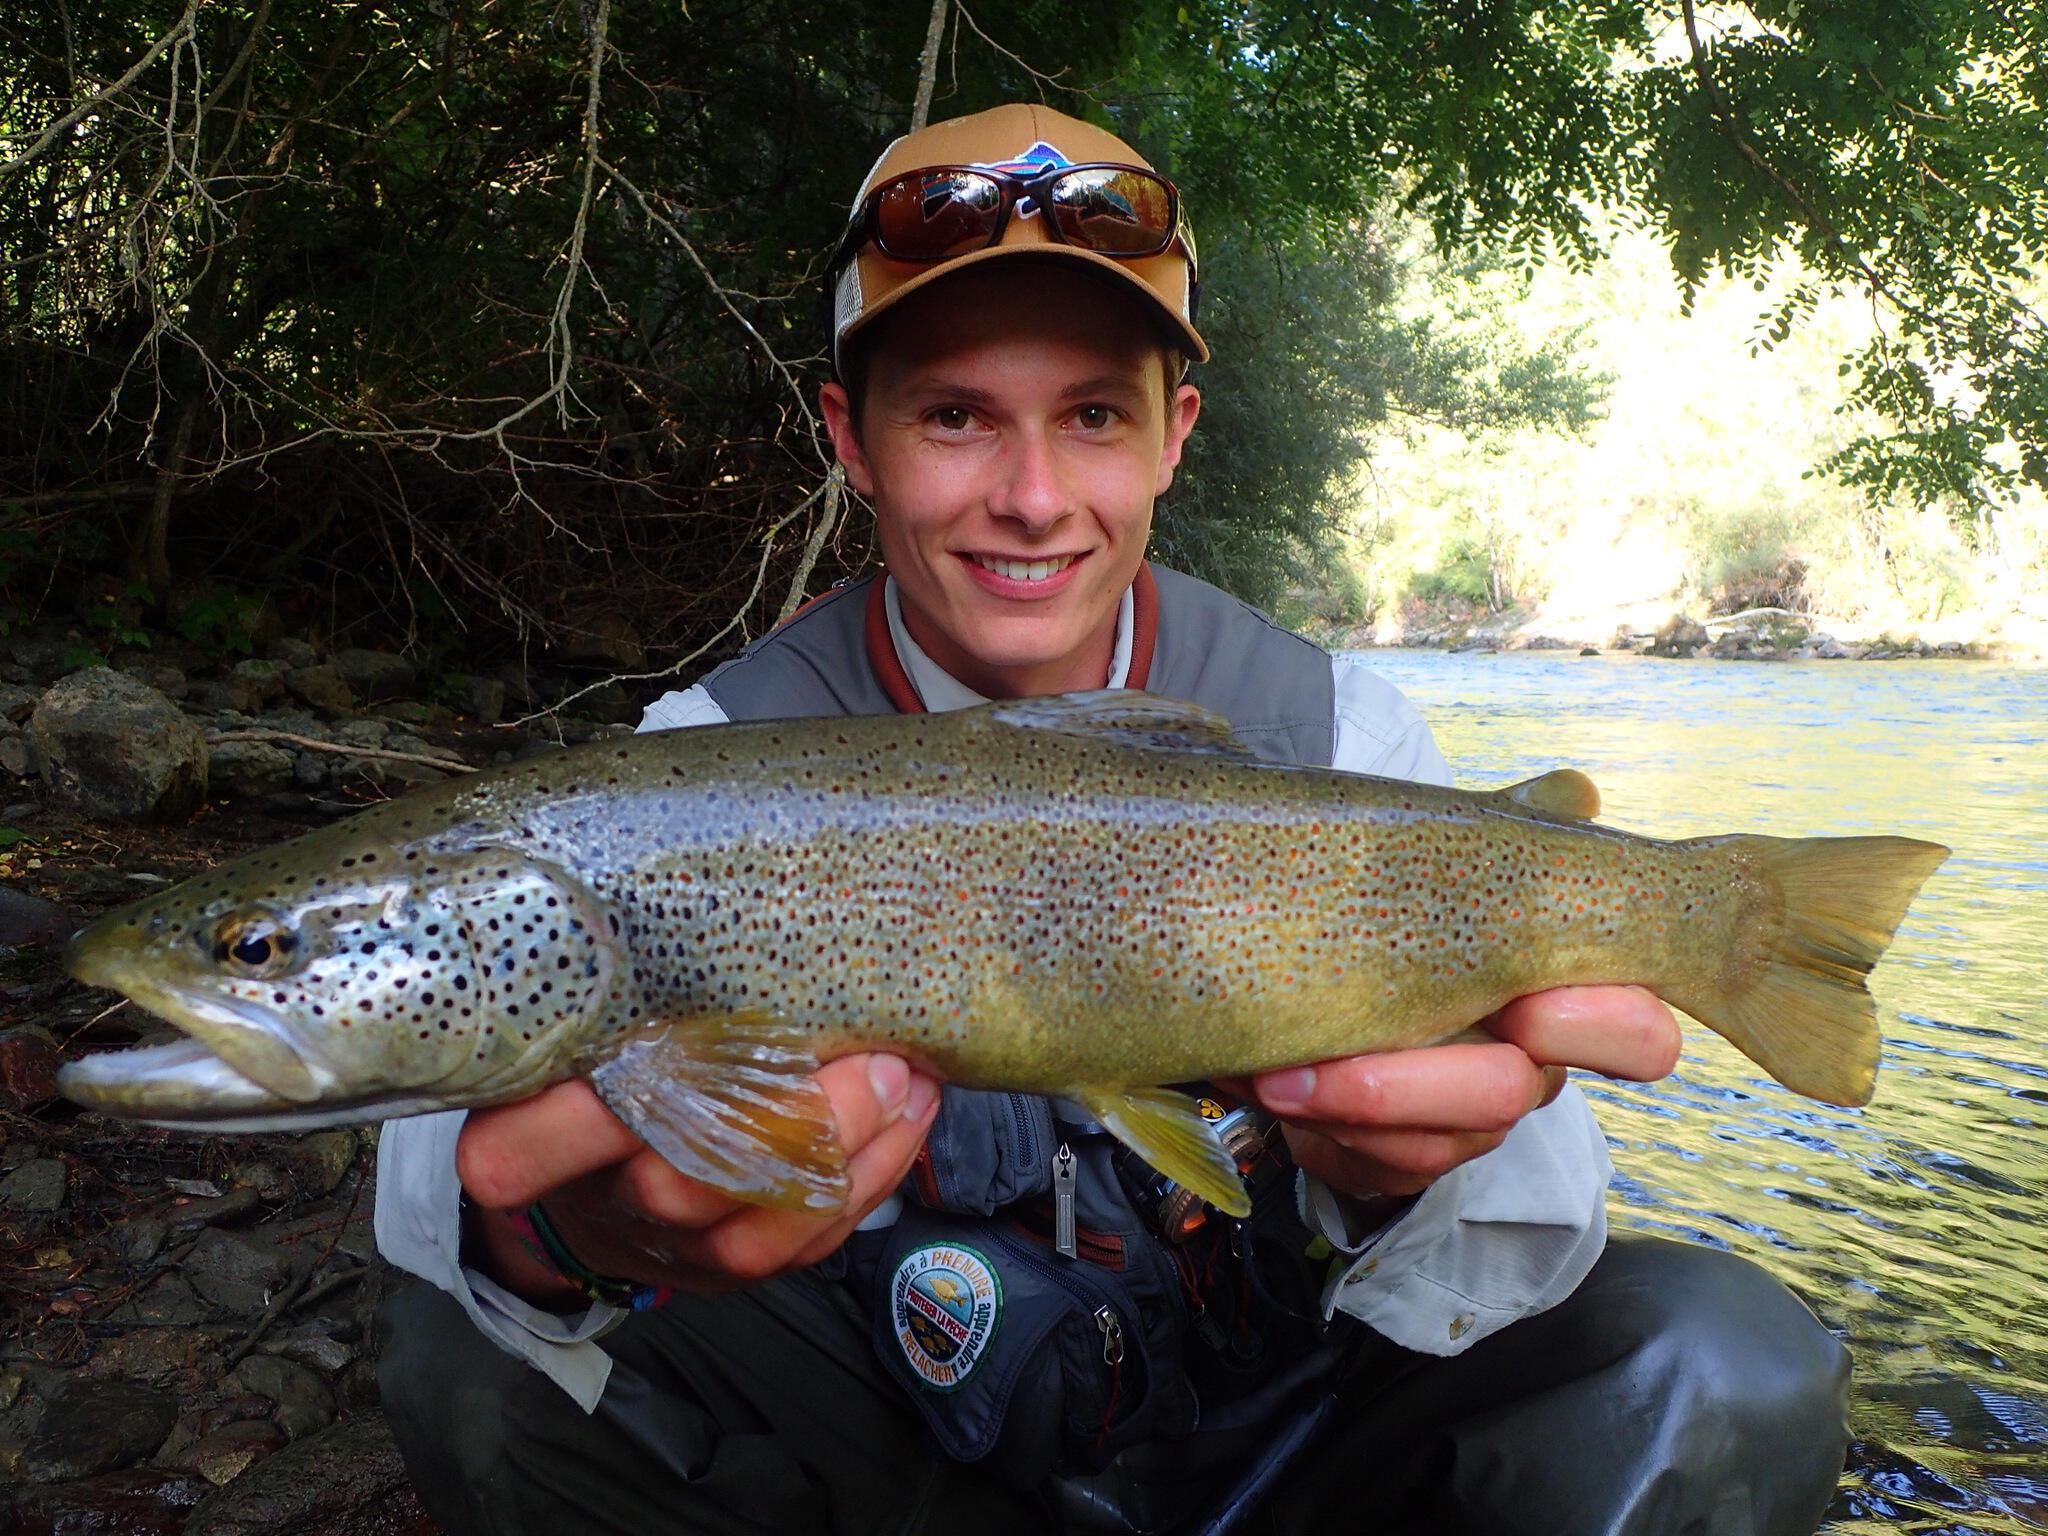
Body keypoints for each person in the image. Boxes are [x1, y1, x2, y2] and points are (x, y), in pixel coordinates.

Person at [375, 103, 1851, 1535]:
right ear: (852, 438)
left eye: (1090, 417)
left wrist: (1402, 1183)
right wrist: (560, 1247)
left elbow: (1541, 1235)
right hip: (891, 1450)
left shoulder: (1335, 734)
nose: (1030, 496)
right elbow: (440, 1174)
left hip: (1285, 1422)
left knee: (1722, 1362)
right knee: (468, 1361)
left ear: (1173, 437)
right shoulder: (699, 765)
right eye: (956, 417)